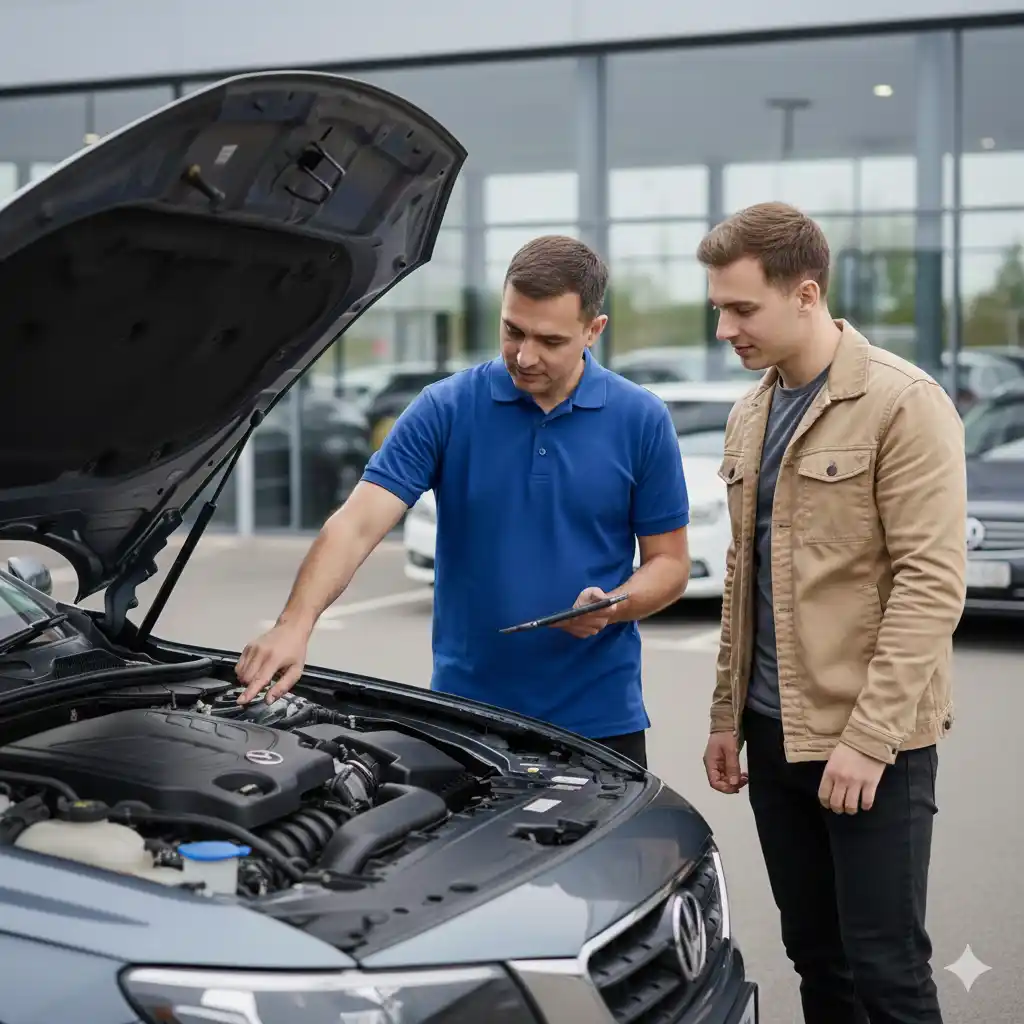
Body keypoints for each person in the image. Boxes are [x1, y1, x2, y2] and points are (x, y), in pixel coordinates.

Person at [234, 234, 692, 769]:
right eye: (512, 330)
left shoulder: (641, 419)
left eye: (549, 340)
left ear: (594, 330)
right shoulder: (445, 408)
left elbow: (669, 564)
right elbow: (358, 524)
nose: (525, 355)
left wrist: (617, 604)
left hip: (600, 723)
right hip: (465, 718)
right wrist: (296, 623)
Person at [698, 202, 966, 1024]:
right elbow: (746, 577)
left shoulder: (901, 403)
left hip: (871, 742)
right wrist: (725, 715)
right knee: (817, 959)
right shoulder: (751, 413)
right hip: (774, 736)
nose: (724, 329)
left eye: (741, 309)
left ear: (806, 293)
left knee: (886, 971)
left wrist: (867, 739)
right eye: (718, 308)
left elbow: (932, 583)